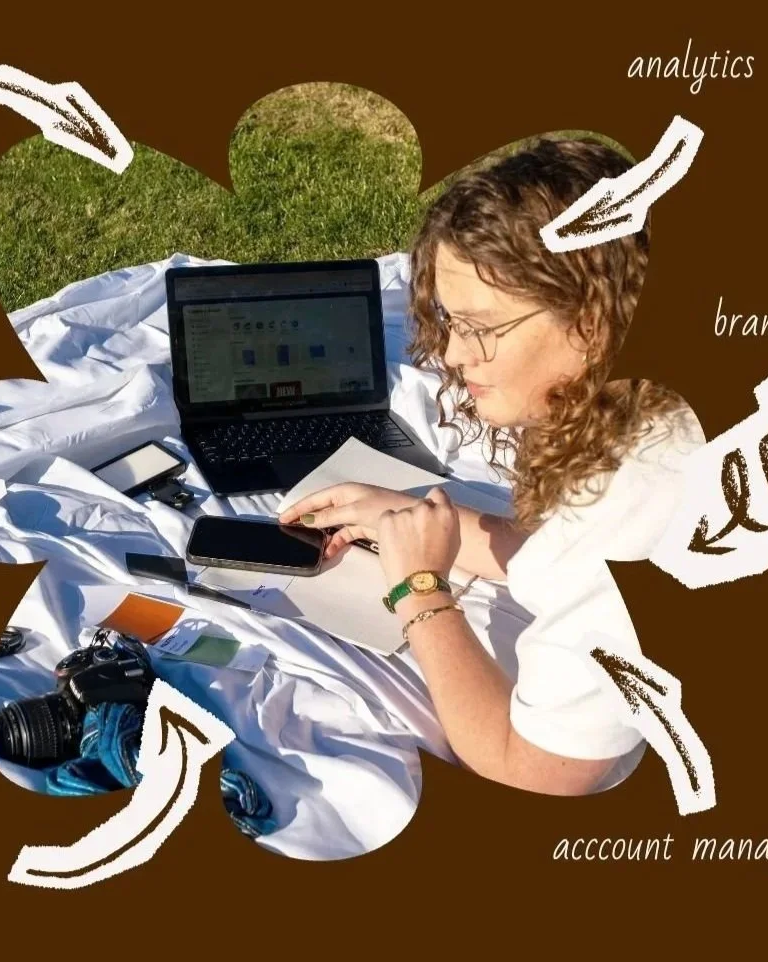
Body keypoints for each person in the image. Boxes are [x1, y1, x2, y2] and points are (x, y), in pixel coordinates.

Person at [279, 137, 705, 797]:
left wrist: (418, 590)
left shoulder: (635, 512)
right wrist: (406, 516)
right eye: (446, 320)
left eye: (478, 327)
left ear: (591, 320)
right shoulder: (658, 412)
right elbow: (559, 557)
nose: (448, 354)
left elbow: (543, 769)